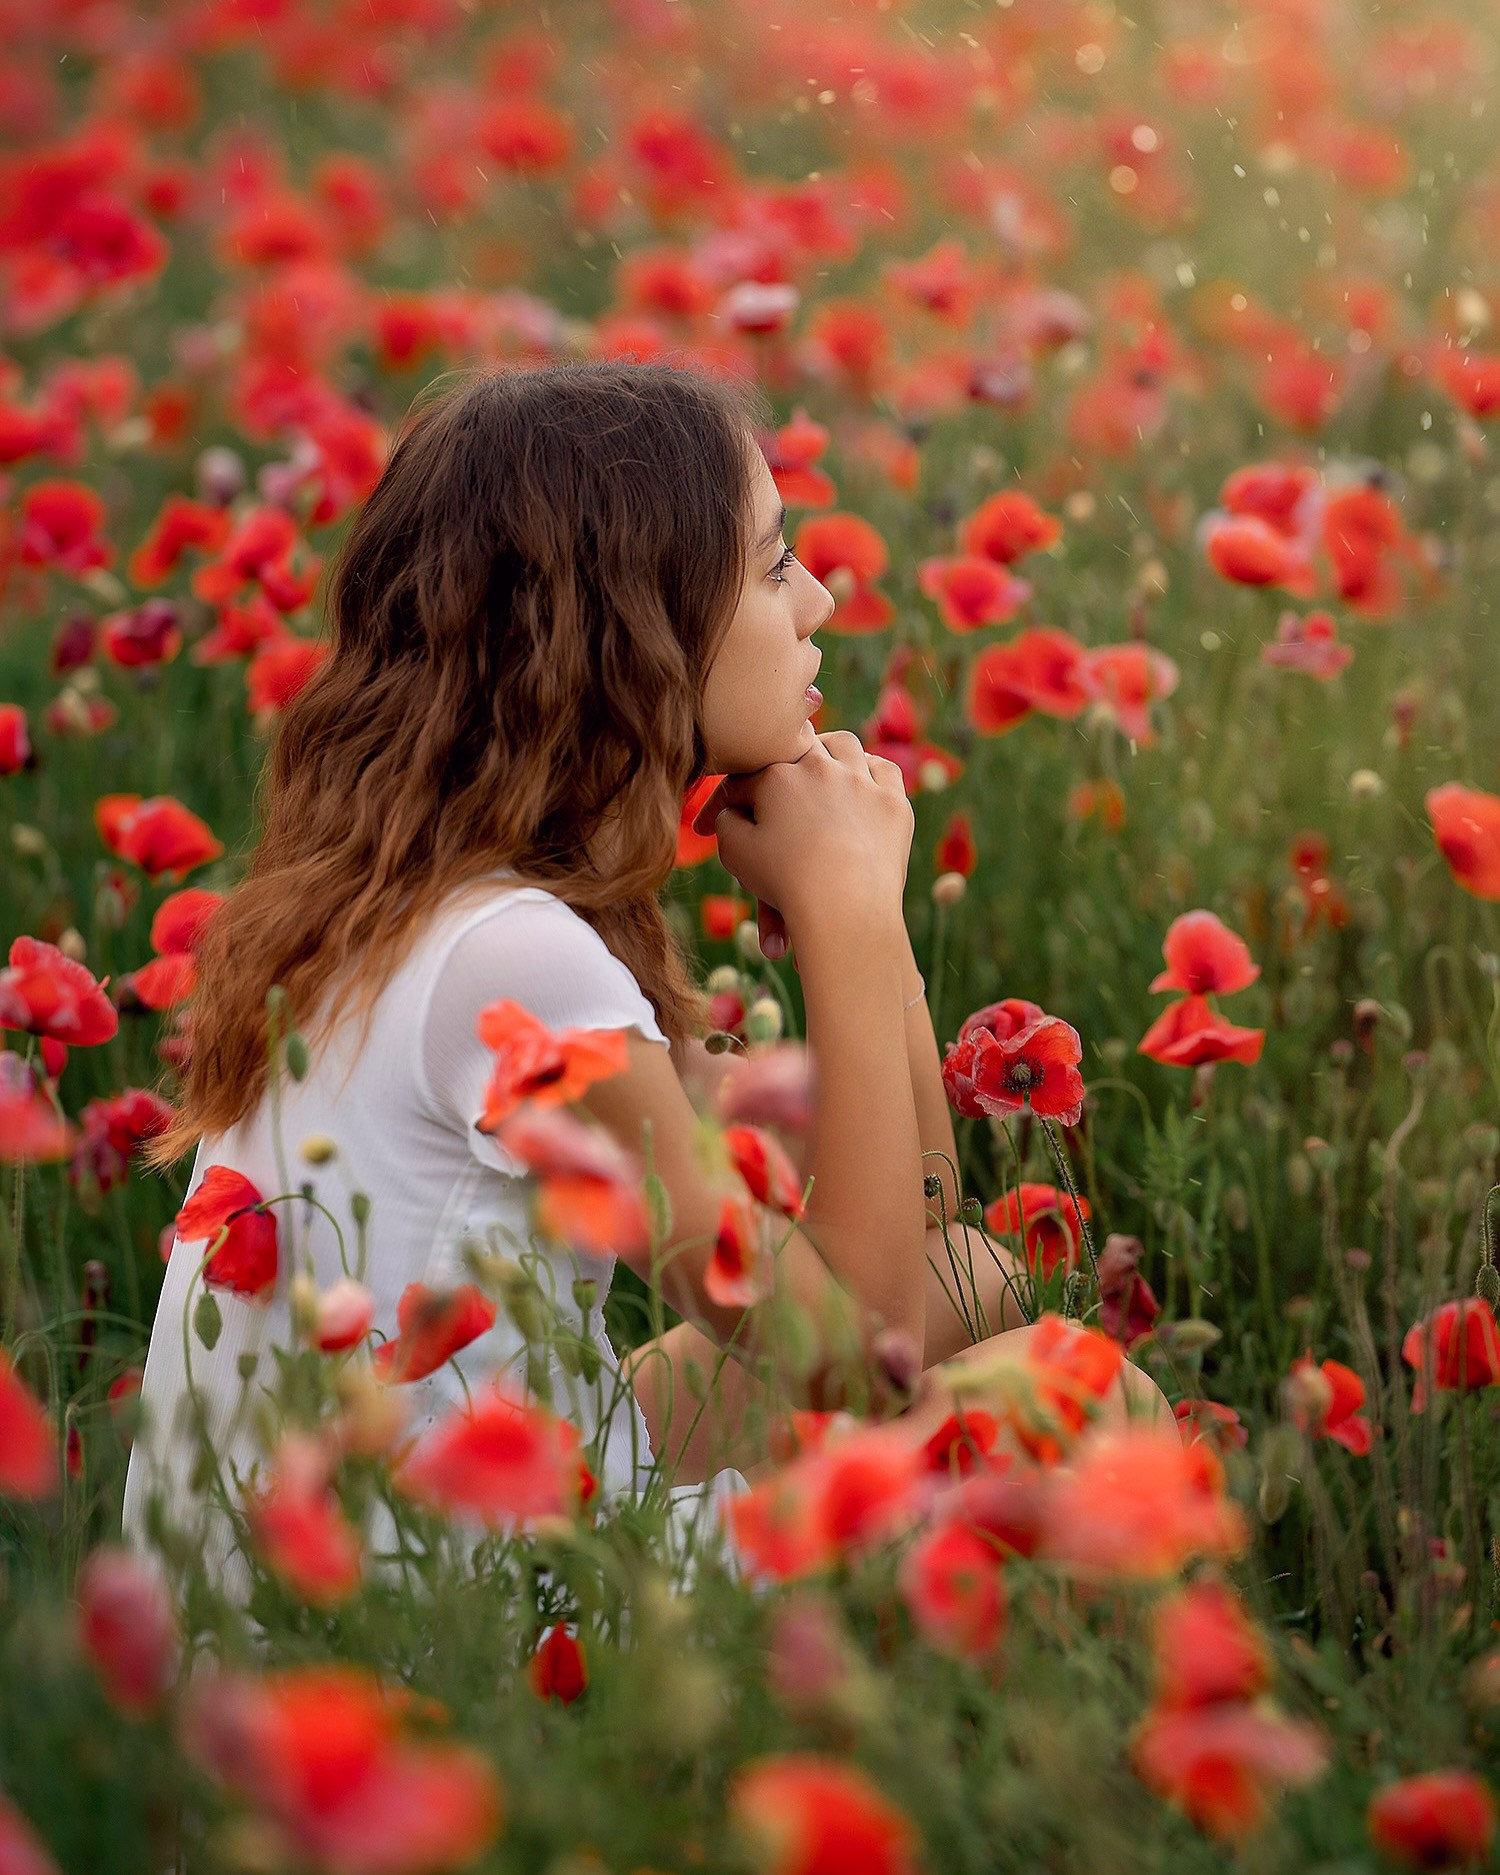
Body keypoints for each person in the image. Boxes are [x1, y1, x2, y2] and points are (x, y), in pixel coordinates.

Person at [123, 359, 1161, 1597]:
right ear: (635, 631)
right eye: (773, 566)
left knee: (982, 1280)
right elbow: (857, 1355)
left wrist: (871, 927)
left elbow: (923, 1241)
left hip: (366, 1565)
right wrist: (844, 912)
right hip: (455, 1637)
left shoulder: (417, 908)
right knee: (1089, 1401)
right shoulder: (512, 963)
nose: (820, 600)